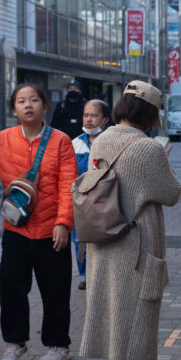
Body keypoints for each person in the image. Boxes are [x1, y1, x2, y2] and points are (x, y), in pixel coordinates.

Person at [80, 80, 181, 360]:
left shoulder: (102, 138)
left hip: (105, 239)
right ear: (150, 113)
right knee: (133, 319)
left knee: (118, 314)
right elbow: (171, 193)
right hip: (136, 245)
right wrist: (165, 165)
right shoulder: (148, 149)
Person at [0, 84, 78, 360]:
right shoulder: (3, 139)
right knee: (9, 284)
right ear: (13, 109)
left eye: (34, 100)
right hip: (16, 229)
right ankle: (14, 344)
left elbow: (68, 186)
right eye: (21, 101)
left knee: (55, 290)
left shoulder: (61, 141)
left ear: (45, 106)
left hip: (51, 230)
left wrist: (63, 223)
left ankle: (57, 344)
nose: (28, 105)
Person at [73, 99, 111, 289]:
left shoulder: (111, 143)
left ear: (105, 119)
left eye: (94, 115)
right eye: (86, 115)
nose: (89, 120)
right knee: (80, 240)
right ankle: (88, 275)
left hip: (106, 201)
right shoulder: (75, 144)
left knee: (106, 239)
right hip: (81, 203)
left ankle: (105, 274)